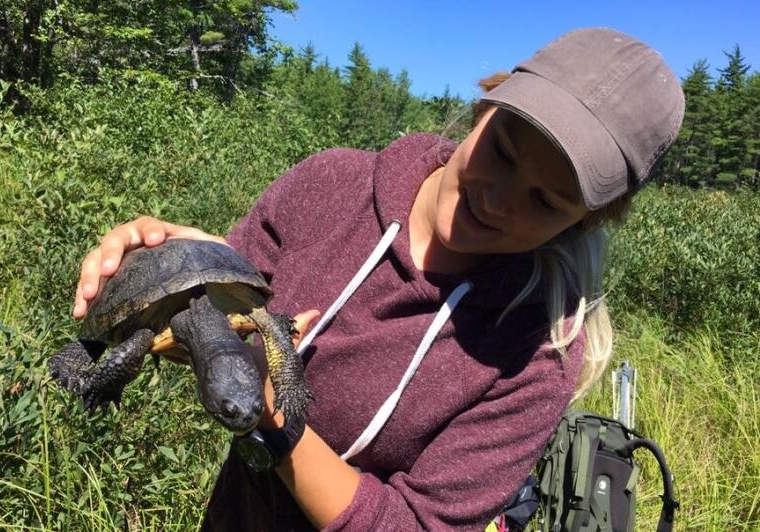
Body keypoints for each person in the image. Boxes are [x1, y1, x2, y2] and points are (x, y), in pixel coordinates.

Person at [71, 28, 684, 530]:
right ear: (485, 106)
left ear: (586, 221)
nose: (497, 200)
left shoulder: (535, 349)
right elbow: (204, 335)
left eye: (545, 201)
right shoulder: (329, 186)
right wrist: (175, 269)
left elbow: (418, 527)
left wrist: (272, 420)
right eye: (504, 150)